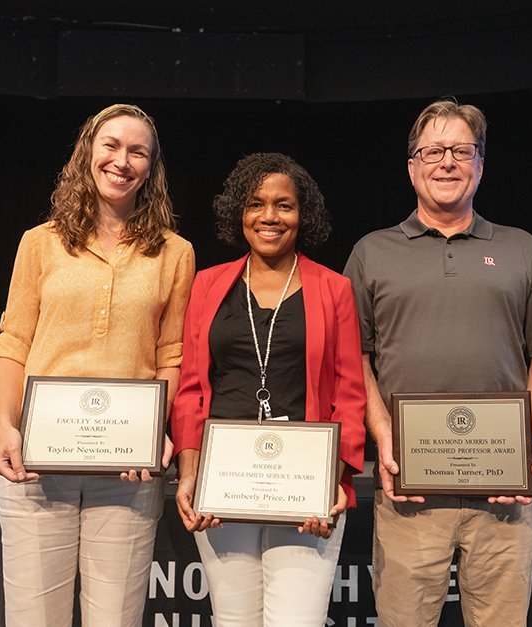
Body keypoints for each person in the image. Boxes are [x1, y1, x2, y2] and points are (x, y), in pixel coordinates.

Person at [344, 99, 532, 627]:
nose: (446, 162)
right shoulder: (372, 252)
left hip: (501, 491)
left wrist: (527, 440)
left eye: (461, 150)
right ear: (412, 166)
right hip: (409, 488)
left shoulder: (522, 249)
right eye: (433, 151)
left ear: (480, 164)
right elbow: (352, 358)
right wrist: (383, 435)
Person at [0, 103, 194, 626]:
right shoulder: (40, 243)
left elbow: (171, 357)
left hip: (126, 472)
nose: (121, 161)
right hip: (37, 464)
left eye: (137, 151)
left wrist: (154, 432)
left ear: (151, 167)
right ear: (88, 152)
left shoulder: (174, 253)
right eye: (111, 145)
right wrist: (5, 428)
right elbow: (12, 346)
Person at [172, 153, 366, 626]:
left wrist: (333, 483)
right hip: (224, 486)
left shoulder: (334, 288)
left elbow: (349, 395)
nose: (270, 217)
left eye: (284, 205)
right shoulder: (208, 284)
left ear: (304, 215)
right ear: (239, 213)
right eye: (256, 204)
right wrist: (190, 475)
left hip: (304, 493)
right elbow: (193, 389)